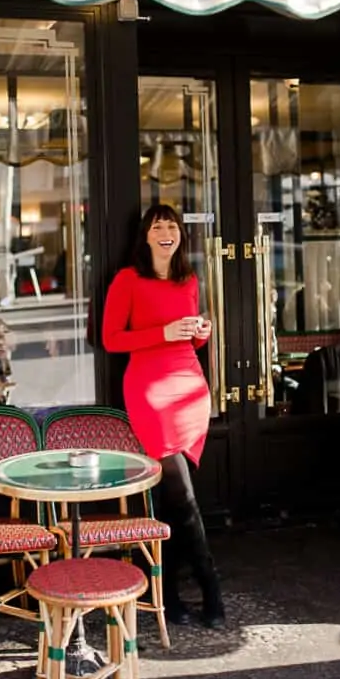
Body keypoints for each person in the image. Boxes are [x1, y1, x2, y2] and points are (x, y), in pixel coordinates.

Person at [102, 204, 225, 629]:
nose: (166, 232)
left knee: (172, 501)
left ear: (180, 236)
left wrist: (199, 334)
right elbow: (111, 339)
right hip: (150, 391)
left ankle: (169, 597)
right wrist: (162, 333)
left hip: (188, 388)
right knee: (183, 496)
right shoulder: (127, 279)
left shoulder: (188, 280)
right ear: (146, 236)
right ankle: (211, 586)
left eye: (172, 225)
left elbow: (189, 339)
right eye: (158, 226)